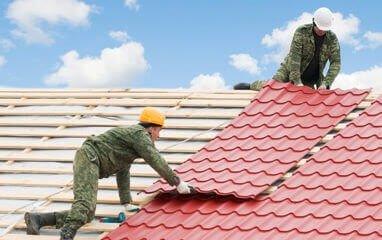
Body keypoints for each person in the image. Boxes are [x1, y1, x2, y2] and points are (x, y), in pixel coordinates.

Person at [24, 107, 193, 240]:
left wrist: (126, 202)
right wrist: (177, 182)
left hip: (91, 160)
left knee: (87, 214)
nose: (159, 136)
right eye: (159, 131)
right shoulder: (140, 136)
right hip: (89, 157)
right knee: (84, 205)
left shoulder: (131, 144)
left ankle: (38, 220)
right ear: (151, 129)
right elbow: (156, 160)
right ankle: (66, 235)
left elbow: (123, 170)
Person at [234, 7, 341, 91]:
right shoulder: (301, 32)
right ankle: (251, 85)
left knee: (306, 100)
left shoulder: (332, 39)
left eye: (324, 29)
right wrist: (297, 81)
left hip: (311, 78)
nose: (322, 32)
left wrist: (326, 83)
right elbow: (295, 57)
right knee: (272, 88)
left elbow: (336, 63)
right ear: (314, 22)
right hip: (290, 69)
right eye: (320, 28)